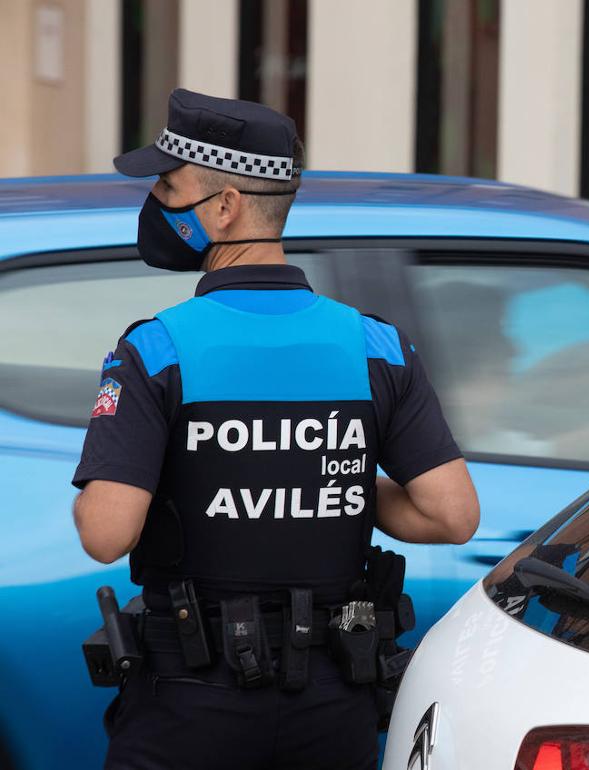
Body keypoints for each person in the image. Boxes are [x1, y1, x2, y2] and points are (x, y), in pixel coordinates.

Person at [71, 88, 479, 770]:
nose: (156, 203)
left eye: (169, 187)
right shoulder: (376, 347)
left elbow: (106, 532)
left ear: (224, 207)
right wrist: (329, 479)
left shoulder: (158, 350)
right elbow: (452, 515)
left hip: (189, 707)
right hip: (332, 707)